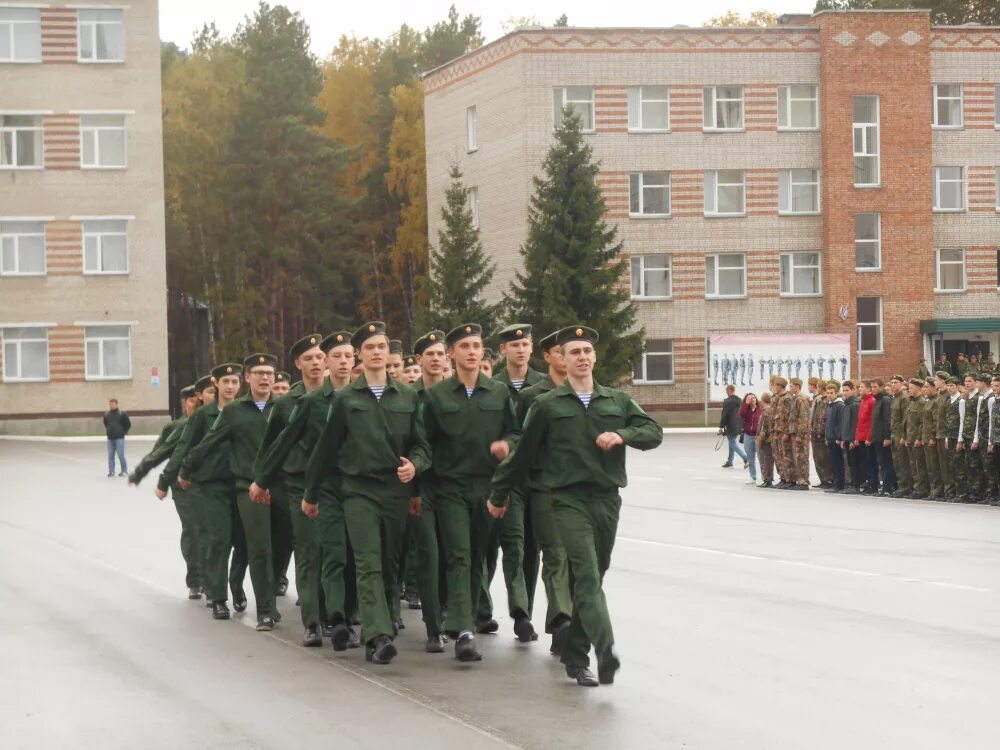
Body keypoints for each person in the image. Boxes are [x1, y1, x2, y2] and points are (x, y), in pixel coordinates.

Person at [489, 325, 663, 687]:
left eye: (587, 351)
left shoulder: (616, 400)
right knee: (584, 575)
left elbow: (652, 432)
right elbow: (521, 457)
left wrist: (622, 434)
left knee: (595, 576)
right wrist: (499, 495)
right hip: (565, 501)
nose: (582, 357)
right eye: (574, 352)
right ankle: (605, 651)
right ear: (561, 361)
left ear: (595, 357)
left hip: (606, 500)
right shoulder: (547, 405)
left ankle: (574, 653)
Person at [304, 322, 430, 665]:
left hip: (395, 492)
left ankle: (382, 626)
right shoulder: (345, 399)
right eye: (371, 347)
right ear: (361, 354)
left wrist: (414, 467)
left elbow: (421, 445)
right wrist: (311, 493)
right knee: (368, 561)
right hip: (357, 491)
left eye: (382, 347)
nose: (377, 352)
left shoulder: (407, 395)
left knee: (390, 563)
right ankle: (378, 634)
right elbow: (326, 450)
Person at [422, 323, 523, 661]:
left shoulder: (498, 393)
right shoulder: (436, 397)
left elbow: (515, 432)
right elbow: (425, 442)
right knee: (459, 555)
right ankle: (463, 631)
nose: (471, 351)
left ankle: (464, 616)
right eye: (463, 346)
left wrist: (506, 445)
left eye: (476, 346)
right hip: (450, 488)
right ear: (452, 353)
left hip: (487, 488)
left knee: (480, 555)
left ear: (482, 352)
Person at [183, 353, 279, 631]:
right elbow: (208, 442)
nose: (264, 378)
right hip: (248, 488)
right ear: (247, 378)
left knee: (277, 549)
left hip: (283, 488)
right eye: (258, 373)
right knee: (252, 546)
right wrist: (186, 469)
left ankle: (239, 586)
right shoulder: (235, 411)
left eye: (269, 373)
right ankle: (262, 610)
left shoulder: (285, 406)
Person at [250, 334, 326, 647]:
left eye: (319, 357)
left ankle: (337, 615)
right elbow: (270, 448)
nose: (316, 363)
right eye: (308, 358)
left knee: (333, 553)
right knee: (307, 552)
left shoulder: (341, 396)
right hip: (297, 485)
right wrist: (262, 481)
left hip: (335, 485)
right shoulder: (285, 405)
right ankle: (312, 621)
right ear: (298, 365)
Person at [166, 363, 248, 620]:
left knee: (244, 542)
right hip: (212, 486)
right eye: (226, 382)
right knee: (218, 541)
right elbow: (186, 445)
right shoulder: (204, 416)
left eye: (235, 382)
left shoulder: (246, 410)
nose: (231, 387)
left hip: (242, 484)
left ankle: (235, 585)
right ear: (217, 385)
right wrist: (179, 474)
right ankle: (218, 596)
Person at [515, 330, 573, 653]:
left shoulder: (591, 394)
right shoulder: (532, 398)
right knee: (554, 555)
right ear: (548, 357)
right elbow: (521, 446)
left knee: (572, 560)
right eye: (560, 352)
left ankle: (559, 626)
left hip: (578, 492)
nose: (568, 358)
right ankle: (562, 622)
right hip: (543, 488)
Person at [480, 323, 539, 637]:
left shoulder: (543, 385)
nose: (520, 349)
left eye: (525, 344)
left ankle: (523, 611)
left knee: (530, 549)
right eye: (514, 345)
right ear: (503, 350)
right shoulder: (493, 386)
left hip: (535, 480)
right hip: (501, 479)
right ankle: (485, 608)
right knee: (495, 547)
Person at [129, 385, 204, 598]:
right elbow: (159, 452)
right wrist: (140, 473)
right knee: (192, 529)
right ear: (184, 402)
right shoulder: (176, 427)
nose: (194, 404)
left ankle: (210, 576)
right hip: (182, 486)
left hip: (207, 484)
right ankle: (195, 580)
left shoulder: (211, 420)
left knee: (209, 531)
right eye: (190, 400)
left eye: (196, 399)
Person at [903, 379, 929, 500]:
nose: (909, 390)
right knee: (913, 465)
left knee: (919, 465)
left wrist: (919, 438)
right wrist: (904, 436)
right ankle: (915, 487)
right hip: (909, 438)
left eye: (911, 388)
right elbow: (907, 422)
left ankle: (921, 489)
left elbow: (922, 423)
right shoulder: (911, 402)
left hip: (916, 439)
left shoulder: (922, 403)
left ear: (918, 389)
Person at [870, 379, 896, 496]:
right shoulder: (877, 400)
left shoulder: (885, 400)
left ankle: (887, 487)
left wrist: (887, 437)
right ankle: (885, 486)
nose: (873, 389)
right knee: (881, 462)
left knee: (886, 463)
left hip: (882, 437)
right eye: (872, 387)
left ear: (881, 387)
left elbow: (887, 419)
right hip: (876, 436)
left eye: (875, 387)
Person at [889, 375, 912, 498]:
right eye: (891, 382)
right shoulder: (895, 398)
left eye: (896, 382)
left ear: (902, 384)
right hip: (894, 434)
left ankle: (906, 487)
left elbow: (905, 419)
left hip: (900, 435)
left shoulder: (904, 398)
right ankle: (901, 486)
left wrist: (904, 436)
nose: (893, 385)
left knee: (903, 463)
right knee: (897, 462)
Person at [787, 378, 811, 490]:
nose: (790, 388)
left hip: (800, 434)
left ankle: (804, 481)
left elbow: (803, 419)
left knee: (802, 458)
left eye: (791, 386)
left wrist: (800, 435)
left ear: (797, 386)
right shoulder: (794, 398)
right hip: (794, 433)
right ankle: (799, 479)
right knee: (797, 458)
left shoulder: (801, 400)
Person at [809, 378, 832, 488]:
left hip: (823, 433)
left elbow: (825, 418)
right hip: (815, 432)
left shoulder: (826, 400)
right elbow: (814, 417)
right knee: (817, 457)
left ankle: (828, 479)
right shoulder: (817, 400)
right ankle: (822, 479)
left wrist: (822, 430)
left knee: (825, 458)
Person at [853, 380, 875, 494]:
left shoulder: (871, 401)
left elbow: (871, 421)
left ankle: (872, 484)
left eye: (862, 387)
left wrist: (869, 437)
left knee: (870, 462)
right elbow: (860, 421)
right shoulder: (862, 401)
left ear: (868, 389)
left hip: (867, 437)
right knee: (863, 462)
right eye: (859, 387)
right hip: (860, 436)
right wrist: (857, 437)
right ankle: (866, 482)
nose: (860, 389)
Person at [840, 381, 862, 494]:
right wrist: (843, 438)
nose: (845, 392)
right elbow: (844, 423)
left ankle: (856, 485)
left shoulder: (855, 404)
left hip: (853, 439)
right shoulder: (846, 404)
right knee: (850, 462)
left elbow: (855, 423)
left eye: (847, 390)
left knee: (855, 462)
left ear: (853, 390)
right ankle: (852, 484)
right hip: (847, 438)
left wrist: (854, 439)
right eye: (843, 390)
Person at [718, 384, 746, 469]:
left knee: (732, 443)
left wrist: (721, 426)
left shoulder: (727, 401)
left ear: (730, 390)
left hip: (730, 425)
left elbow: (724, 415)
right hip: (738, 425)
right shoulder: (740, 400)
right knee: (731, 442)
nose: (726, 392)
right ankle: (730, 461)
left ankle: (745, 458)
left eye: (727, 391)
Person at [824, 381, 845, 493]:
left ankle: (839, 485)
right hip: (831, 439)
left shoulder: (839, 405)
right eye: (827, 393)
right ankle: (835, 483)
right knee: (833, 462)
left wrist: (839, 437)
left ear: (836, 393)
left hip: (836, 439)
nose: (829, 395)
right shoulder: (830, 405)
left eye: (831, 393)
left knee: (838, 463)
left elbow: (840, 423)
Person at [103, 398, 131, 477]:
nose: (111, 405)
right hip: (110, 438)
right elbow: (106, 423)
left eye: (113, 404)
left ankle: (124, 471)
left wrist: (123, 431)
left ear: (117, 404)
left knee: (120, 455)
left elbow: (128, 424)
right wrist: (109, 430)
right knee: (110, 455)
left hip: (119, 438)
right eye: (110, 404)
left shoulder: (122, 414)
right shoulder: (107, 414)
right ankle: (111, 472)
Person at [739, 393, 762, 485]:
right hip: (748, 435)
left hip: (758, 435)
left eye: (753, 397)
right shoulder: (746, 409)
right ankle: (753, 477)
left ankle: (765, 477)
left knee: (761, 457)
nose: (752, 399)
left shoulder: (760, 409)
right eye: (749, 398)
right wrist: (746, 403)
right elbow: (741, 414)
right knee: (750, 458)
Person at [756, 392, 775, 488]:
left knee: (765, 460)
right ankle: (767, 478)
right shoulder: (771, 410)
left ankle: (767, 479)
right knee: (767, 460)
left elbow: (764, 428)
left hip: (766, 441)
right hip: (769, 439)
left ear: (763, 400)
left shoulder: (766, 412)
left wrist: (760, 439)